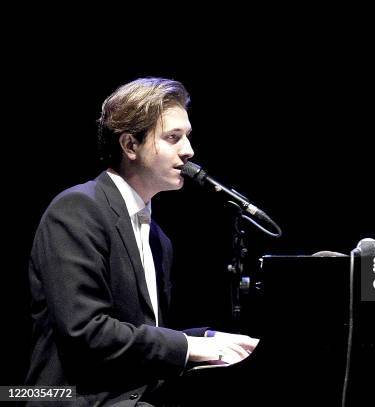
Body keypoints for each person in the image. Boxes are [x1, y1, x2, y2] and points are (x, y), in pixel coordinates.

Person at [25, 77, 258, 406]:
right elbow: (87, 332)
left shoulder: (158, 238)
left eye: (187, 137)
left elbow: (138, 334)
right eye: (173, 138)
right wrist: (190, 347)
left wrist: (209, 338)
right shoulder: (78, 208)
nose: (188, 150)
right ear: (130, 145)